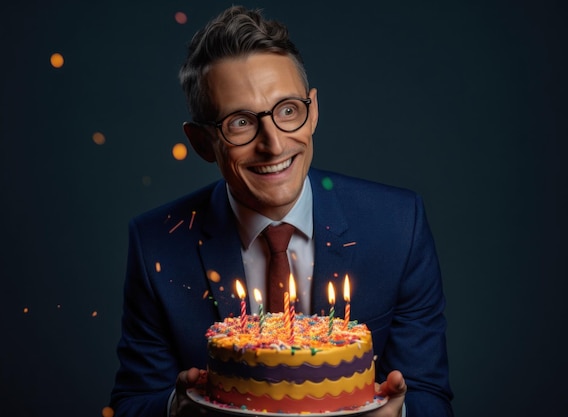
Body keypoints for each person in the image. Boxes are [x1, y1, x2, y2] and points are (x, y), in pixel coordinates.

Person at [110, 5, 453, 417]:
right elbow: (131, 404)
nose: (273, 144)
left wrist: (395, 414)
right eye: (240, 122)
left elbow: (431, 397)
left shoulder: (398, 226)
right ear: (201, 142)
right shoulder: (157, 245)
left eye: (288, 110)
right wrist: (177, 409)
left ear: (313, 112)